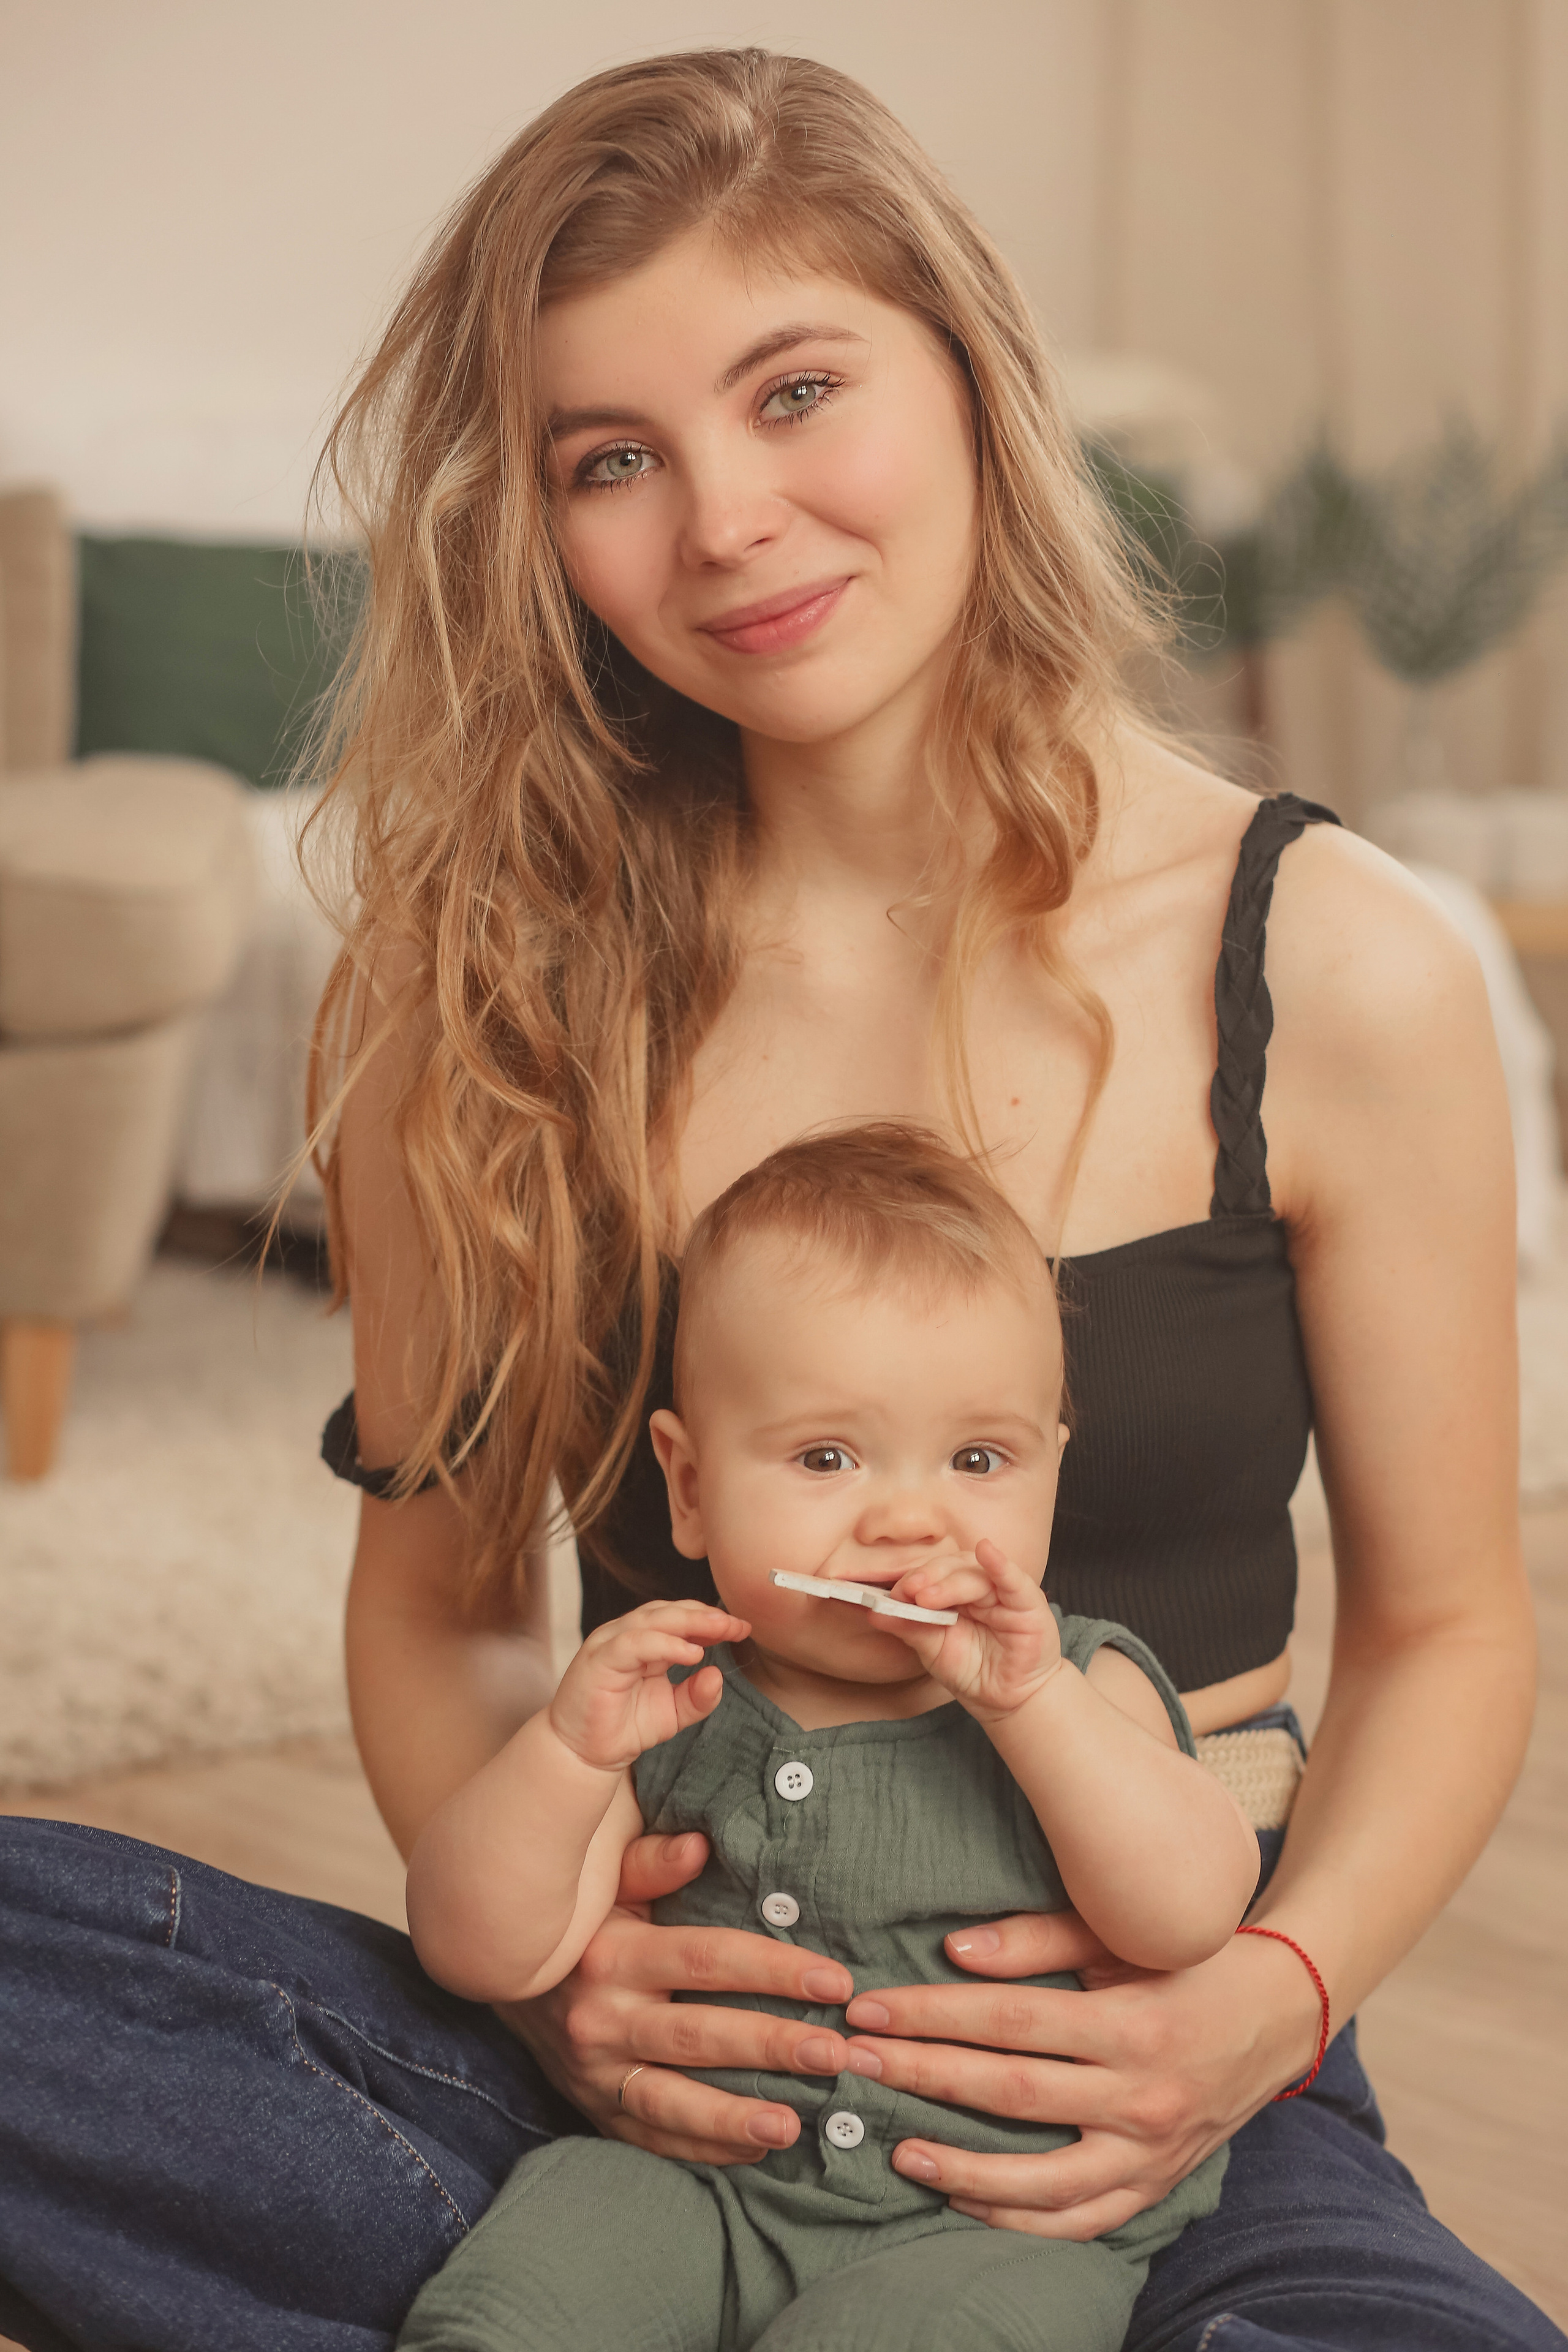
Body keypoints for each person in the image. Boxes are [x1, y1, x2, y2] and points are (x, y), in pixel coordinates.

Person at [0, 43, 1558, 2352]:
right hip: (644, 2091)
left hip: (1145, 2113)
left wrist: (1263, 2004)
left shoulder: (1332, 970)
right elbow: (441, 1613)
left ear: (966, 375)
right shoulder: (471, 1003)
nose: (724, 519)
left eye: (796, 389)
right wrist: (562, 1995)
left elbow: (1448, 1633)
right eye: (610, 461)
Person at [395, 1127, 1262, 2351]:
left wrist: (1033, 1714)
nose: (906, 1518)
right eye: (824, 1457)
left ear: (1050, 1474)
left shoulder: (1077, 1682)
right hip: (691, 2187)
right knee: (516, 2302)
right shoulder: (675, 1698)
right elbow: (479, 1951)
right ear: (688, 1487)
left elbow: (1185, 1915)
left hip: (991, 2231)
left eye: (976, 1459)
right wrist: (563, 1754)